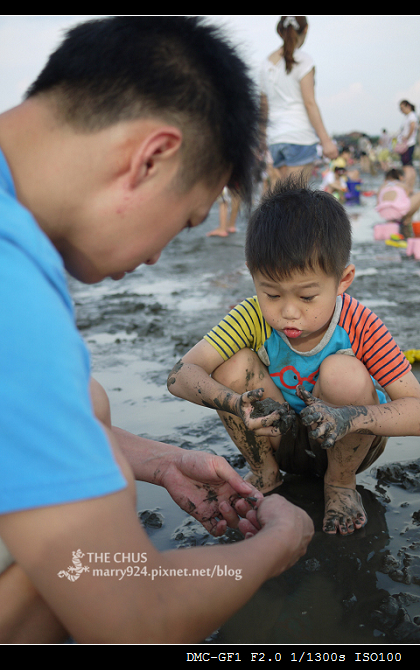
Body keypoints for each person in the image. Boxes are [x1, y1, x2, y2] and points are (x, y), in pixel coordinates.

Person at [0, 17, 314, 644]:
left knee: (90, 409)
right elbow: (136, 621)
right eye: (187, 219)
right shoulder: (15, 295)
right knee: (77, 563)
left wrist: (166, 460)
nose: (158, 256)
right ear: (152, 157)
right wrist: (280, 541)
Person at [168, 177, 420, 537]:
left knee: (343, 373)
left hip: (349, 440)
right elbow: (181, 375)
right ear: (253, 277)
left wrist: (349, 417)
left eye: (306, 297)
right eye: (271, 294)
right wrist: (235, 403)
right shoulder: (252, 316)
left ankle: (340, 484)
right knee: (234, 366)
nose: (288, 313)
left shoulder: (360, 324)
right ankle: (265, 473)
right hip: (278, 435)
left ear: (342, 280)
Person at [259, 16, 337, 184]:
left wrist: (261, 140)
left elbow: (263, 108)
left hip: (275, 139)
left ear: (280, 30)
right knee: (295, 202)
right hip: (299, 136)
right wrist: (326, 141)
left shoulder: (266, 63)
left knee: (282, 199)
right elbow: (309, 103)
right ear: (306, 29)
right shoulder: (304, 61)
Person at [376, 168, 420, 237]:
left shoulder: (382, 187)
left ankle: (393, 221)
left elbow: (377, 203)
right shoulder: (402, 185)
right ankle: (407, 220)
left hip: (384, 214)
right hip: (398, 212)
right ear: (400, 177)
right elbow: (408, 199)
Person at [396, 100, 419, 194]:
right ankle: (410, 187)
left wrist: (406, 138)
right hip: (409, 143)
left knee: (407, 166)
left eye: (402, 108)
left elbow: (412, 126)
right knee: (409, 166)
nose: (401, 110)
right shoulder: (409, 116)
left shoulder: (412, 116)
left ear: (408, 106)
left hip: (408, 144)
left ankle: (408, 187)